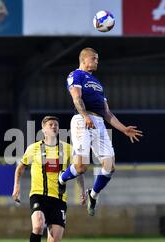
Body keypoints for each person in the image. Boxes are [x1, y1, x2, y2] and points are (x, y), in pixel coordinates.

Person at [59, 47, 143, 216]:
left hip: (98, 122)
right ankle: (61, 178)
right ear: (84, 60)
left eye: (97, 59)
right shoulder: (75, 75)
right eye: (94, 58)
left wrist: (123, 129)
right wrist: (84, 116)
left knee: (110, 166)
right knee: (81, 167)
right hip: (82, 120)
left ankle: (93, 194)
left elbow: (107, 113)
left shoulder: (97, 83)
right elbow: (77, 98)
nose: (97, 61)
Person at [12, 116, 86, 242]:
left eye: (56, 125)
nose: (54, 127)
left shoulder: (67, 149)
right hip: (38, 195)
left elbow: (78, 172)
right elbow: (20, 167)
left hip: (59, 200)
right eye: (50, 125)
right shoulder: (34, 148)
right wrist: (16, 187)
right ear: (43, 129)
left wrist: (82, 191)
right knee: (37, 226)